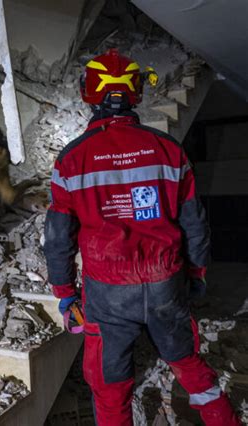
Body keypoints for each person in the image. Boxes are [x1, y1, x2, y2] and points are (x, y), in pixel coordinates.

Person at [43, 48, 241, 426]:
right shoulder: (168, 150)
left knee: (110, 385)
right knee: (188, 363)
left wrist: (66, 294)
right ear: (135, 93)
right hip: (166, 281)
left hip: (107, 293)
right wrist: (196, 274)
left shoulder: (72, 159)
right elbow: (195, 223)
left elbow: (57, 236)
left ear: (90, 93)